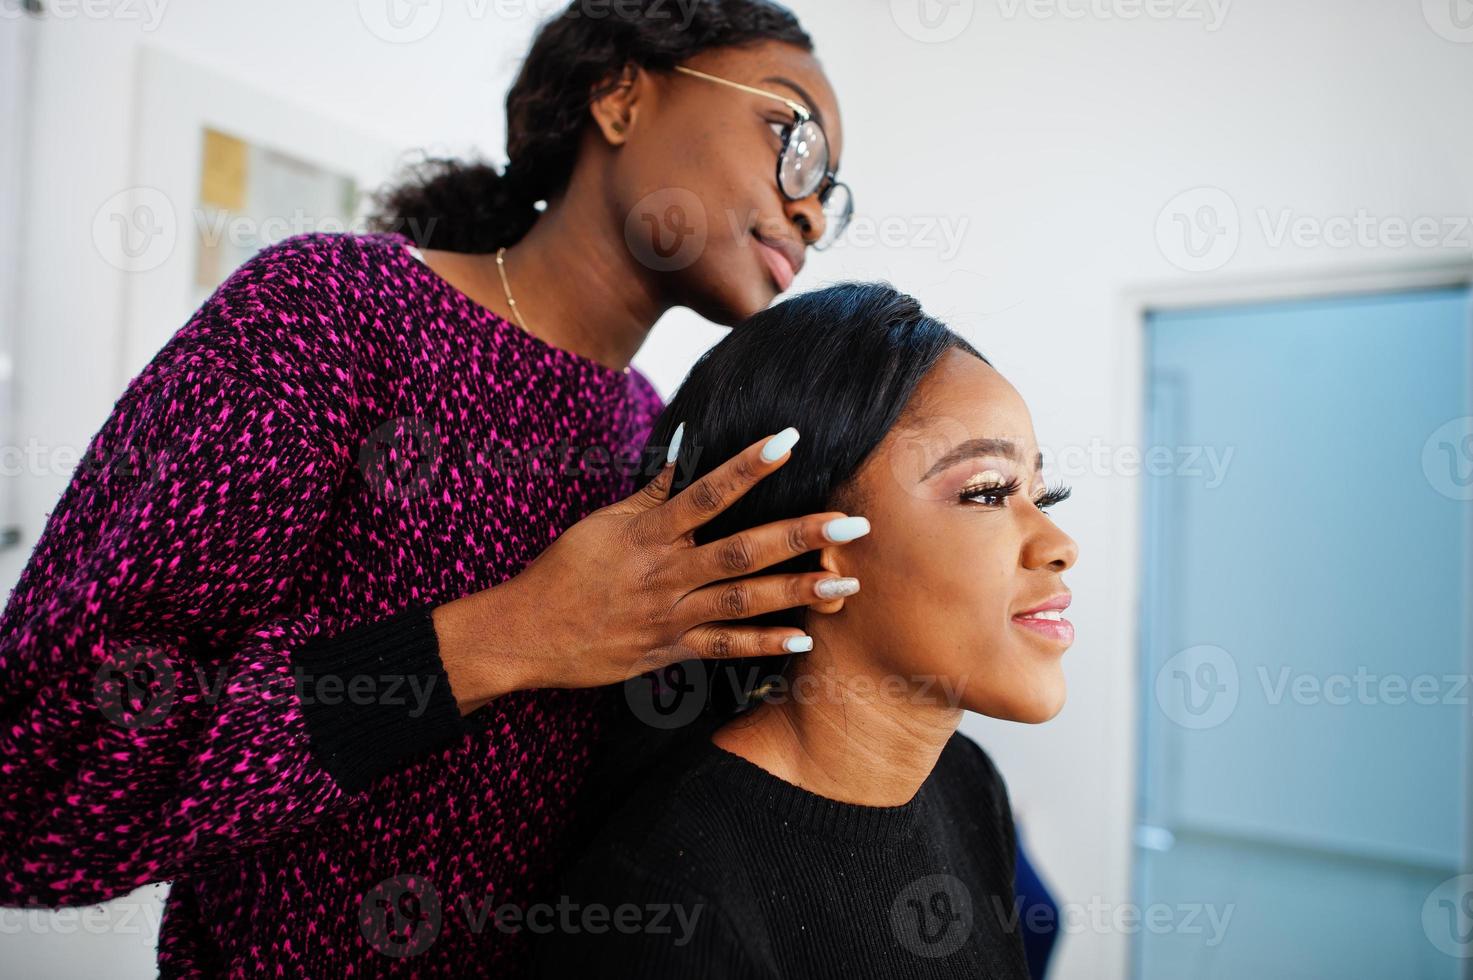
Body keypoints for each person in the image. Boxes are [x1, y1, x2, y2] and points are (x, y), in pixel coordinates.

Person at [0, 2, 862, 975]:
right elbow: (35, 776)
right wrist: (510, 632)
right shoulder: (332, 312)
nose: (812, 212)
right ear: (622, 95)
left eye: (832, 192)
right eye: (794, 142)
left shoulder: (655, 445)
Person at [531, 282, 1079, 978]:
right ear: (818, 544)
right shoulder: (672, 899)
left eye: (1043, 495)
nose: (1059, 544)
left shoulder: (965, 785)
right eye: (986, 492)